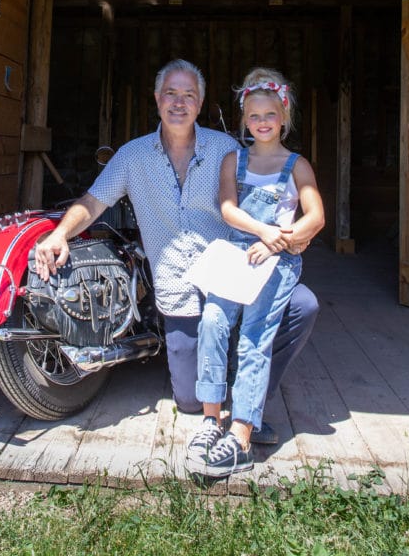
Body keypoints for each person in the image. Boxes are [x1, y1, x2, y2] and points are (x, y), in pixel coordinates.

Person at [33, 59, 320, 443]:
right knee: (187, 400)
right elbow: (93, 201)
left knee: (302, 305)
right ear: (157, 99)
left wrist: (291, 234)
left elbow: (264, 194)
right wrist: (59, 234)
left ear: (200, 103)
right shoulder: (132, 156)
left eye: (189, 95)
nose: (179, 103)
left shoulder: (227, 150)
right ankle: (217, 387)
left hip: (231, 276)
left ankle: (249, 399)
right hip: (178, 290)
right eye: (171, 93)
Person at [186, 69, 324, 478]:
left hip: (275, 261)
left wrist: (278, 242)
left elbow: (315, 216)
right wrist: (263, 231)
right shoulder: (235, 160)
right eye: (253, 116)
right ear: (244, 120)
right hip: (237, 253)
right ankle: (211, 420)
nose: (261, 122)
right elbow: (228, 207)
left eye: (270, 115)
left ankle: (242, 432)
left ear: (284, 117)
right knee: (212, 320)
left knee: (254, 338)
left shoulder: (296, 165)